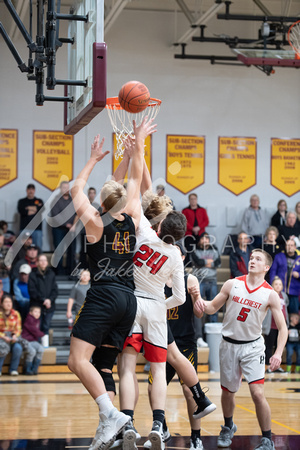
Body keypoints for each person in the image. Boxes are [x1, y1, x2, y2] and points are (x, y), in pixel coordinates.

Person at [67, 117, 157, 450]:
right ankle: (113, 429)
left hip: (104, 294)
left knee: (77, 361)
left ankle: (112, 415)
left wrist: (93, 159)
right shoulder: (132, 213)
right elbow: (134, 177)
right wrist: (137, 145)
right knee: (103, 365)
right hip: (128, 300)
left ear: (100, 202)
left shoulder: (94, 221)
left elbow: (77, 188)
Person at [111, 137, 187, 450]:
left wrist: (136, 151)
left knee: (127, 367)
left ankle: (127, 421)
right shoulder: (176, 256)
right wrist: (162, 304)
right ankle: (158, 422)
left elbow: (142, 192)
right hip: (156, 307)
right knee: (157, 368)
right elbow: (181, 298)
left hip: (131, 304)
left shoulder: (142, 232)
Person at [194, 248, 288, 450]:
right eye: (251, 257)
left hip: (253, 347)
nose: (252, 261)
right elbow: (211, 308)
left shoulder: (270, 294)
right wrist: (198, 299)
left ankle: (267, 439)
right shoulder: (232, 284)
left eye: (258, 259)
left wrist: (278, 353)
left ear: (266, 267)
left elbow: (283, 328)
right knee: (228, 392)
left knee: (257, 393)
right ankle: (228, 426)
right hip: (228, 345)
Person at [145, 242, 216, 450]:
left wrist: (196, 297)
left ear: (183, 258)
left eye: (177, 253)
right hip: (161, 341)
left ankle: (196, 437)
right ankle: (162, 428)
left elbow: (199, 314)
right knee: (152, 388)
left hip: (184, 342)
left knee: (188, 391)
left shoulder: (189, 279)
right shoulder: (155, 278)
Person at [190, 232, 221, 323]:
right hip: (199, 281)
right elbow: (198, 262)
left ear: (209, 240)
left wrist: (204, 262)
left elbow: (218, 263)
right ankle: (199, 334)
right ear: (199, 240)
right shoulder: (194, 249)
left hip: (212, 281)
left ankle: (212, 331)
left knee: (214, 306)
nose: (205, 240)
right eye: (202, 238)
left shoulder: (214, 249)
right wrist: (209, 262)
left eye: (206, 238)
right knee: (198, 307)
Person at [49, 180, 76, 275]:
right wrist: (67, 224)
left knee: (71, 251)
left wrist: (74, 225)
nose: (66, 189)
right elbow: (55, 215)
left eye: (67, 187)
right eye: (64, 187)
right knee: (59, 250)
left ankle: (70, 270)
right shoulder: (55, 200)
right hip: (59, 229)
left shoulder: (73, 200)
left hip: (71, 230)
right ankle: (59, 271)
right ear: (60, 189)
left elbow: (77, 214)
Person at [263, 276, 289, 374]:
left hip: (281, 327)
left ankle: (277, 366)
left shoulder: (284, 296)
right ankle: (269, 367)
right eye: (276, 284)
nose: (278, 286)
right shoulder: (269, 295)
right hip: (271, 326)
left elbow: (286, 308)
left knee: (279, 347)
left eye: (280, 284)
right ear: (272, 286)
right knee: (269, 347)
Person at [28, 254, 58, 336]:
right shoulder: (33, 274)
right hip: (37, 306)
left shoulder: (51, 274)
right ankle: (37, 345)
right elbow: (32, 291)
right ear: (37, 263)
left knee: (46, 326)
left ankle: (45, 346)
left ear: (47, 262)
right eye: (41, 260)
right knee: (37, 327)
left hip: (49, 306)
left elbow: (55, 290)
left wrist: (49, 300)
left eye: (45, 260)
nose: (43, 262)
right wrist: (43, 300)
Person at [269, 239, 300, 314]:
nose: (289, 247)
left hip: (294, 291)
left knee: (294, 314)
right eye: (288, 245)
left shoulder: (299, 258)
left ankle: (293, 326)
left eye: (292, 245)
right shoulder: (279, 256)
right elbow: (273, 271)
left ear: (295, 247)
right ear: (285, 247)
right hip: (280, 290)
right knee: (279, 313)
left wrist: (299, 275)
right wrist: (273, 284)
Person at [78, 187, 102, 268]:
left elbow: (100, 219)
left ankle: (92, 268)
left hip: (94, 233)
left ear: (95, 194)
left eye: (93, 193)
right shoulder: (84, 205)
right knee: (83, 251)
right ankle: (82, 269)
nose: (91, 194)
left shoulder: (97, 206)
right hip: (84, 231)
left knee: (93, 251)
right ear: (88, 194)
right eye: (90, 193)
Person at [182, 193, 209, 264]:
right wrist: (192, 228)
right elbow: (184, 221)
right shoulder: (185, 210)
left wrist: (199, 228)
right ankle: (188, 265)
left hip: (200, 234)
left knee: (200, 250)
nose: (193, 200)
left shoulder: (202, 210)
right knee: (188, 250)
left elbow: (206, 221)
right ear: (189, 200)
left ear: (196, 200)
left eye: (194, 199)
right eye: (191, 199)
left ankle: (200, 264)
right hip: (189, 234)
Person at [0, 294, 23, 376]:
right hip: (1, 337)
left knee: (18, 348)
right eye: (6, 302)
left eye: (10, 302)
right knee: (1, 346)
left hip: (12, 337)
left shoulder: (16, 314)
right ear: (2, 303)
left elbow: (18, 328)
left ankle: (13, 369)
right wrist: (3, 336)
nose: (8, 304)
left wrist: (15, 335)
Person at [17, 183, 44, 250]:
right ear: (26, 190)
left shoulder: (39, 201)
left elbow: (41, 210)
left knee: (38, 248)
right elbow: (22, 211)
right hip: (24, 228)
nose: (30, 191)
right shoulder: (21, 201)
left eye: (32, 189)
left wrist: (28, 208)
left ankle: (39, 260)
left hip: (37, 229)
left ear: (34, 190)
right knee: (22, 248)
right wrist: (35, 209)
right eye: (29, 189)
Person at [21, 305, 45, 375]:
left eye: (39, 312)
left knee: (41, 349)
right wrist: (42, 334)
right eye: (35, 312)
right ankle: (27, 369)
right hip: (25, 340)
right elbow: (34, 330)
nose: (37, 313)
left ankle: (35, 369)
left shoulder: (38, 320)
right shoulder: (29, 319)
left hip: (33, 341)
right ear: (30, 313)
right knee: (32, 351)